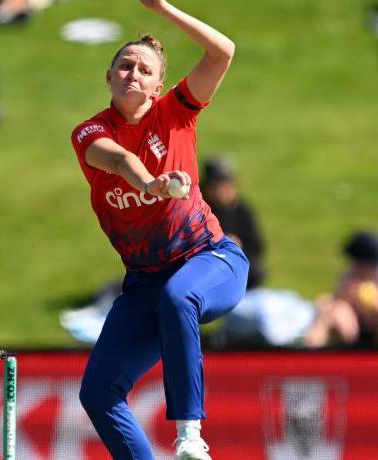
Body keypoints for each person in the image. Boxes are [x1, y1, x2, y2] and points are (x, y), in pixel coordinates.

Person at [70, 1, 247, 459]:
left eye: (144, 69)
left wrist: (163, 8)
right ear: (109, 77)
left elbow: (223, 52)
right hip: (146, 281)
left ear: (157, 86)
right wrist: (152, 184)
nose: (133, 73)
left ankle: (190, 435)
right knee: (98, 392)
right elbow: (117, 160)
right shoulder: (89, 131)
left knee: (180, 296)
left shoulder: (176, 113)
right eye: (124, 66)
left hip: (212, 260)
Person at [305, 231, 378, 348]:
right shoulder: (349, 276)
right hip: (351, 329)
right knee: (327, 306)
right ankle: (308, 354)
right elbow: (338, 301)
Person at [202, 156, 266, 289]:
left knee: (257, 269)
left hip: (235, 263)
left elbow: (257, 247)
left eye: (227, 186)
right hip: (207, 262)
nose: (222, 192)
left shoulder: (242, 211)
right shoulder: (200, 209)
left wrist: (236, 246)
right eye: (217, 186)